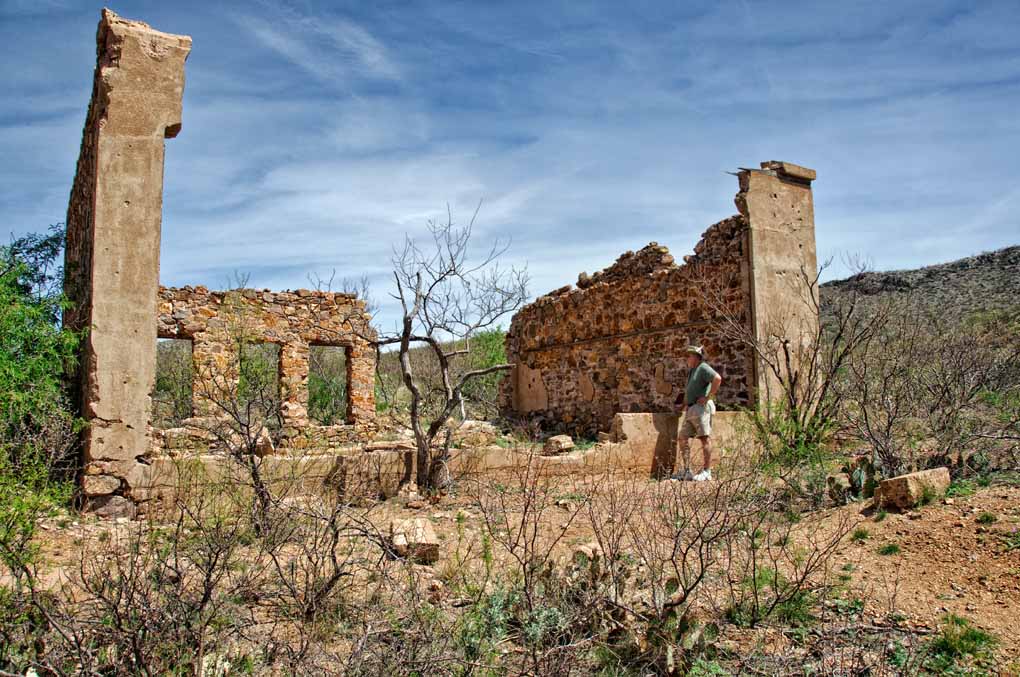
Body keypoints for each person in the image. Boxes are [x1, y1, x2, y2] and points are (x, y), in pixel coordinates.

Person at [672, 345, 722, 481]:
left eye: (689, 355)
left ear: (696, 357)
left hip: (701, 408)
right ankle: (687, 471)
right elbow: (690, 391)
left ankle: (707, 471)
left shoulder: (703, 367)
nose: (687, 358)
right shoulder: (692, 371)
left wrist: (708, 397)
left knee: (704, 438)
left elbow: (717, 379)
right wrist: (683, 405)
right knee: (682, 437)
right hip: (691, 409)